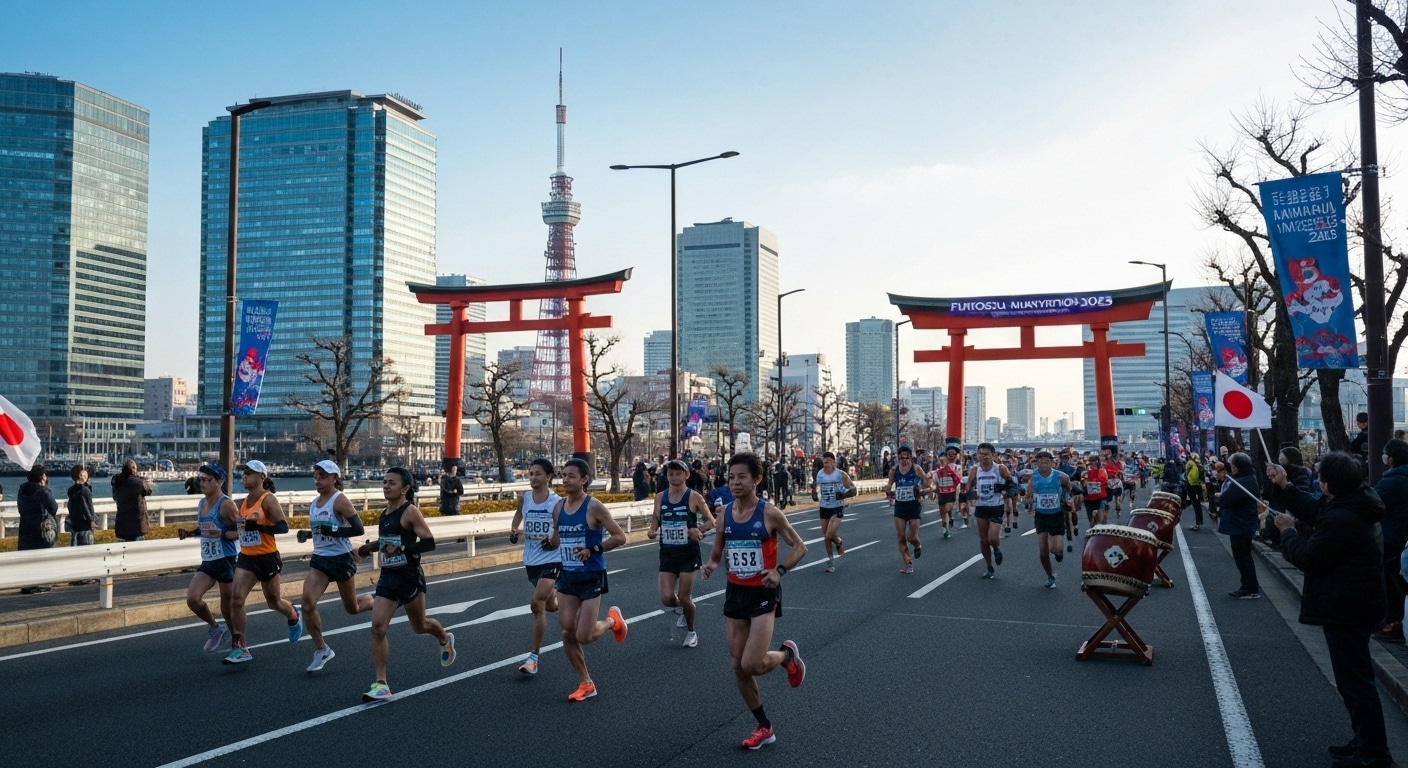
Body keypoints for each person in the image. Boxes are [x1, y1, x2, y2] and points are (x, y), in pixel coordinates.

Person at [1269, 452, 1397, 768]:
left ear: (1326, 484)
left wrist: (1287, 532)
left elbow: (1310, 557)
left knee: (1355, 682)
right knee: (1355, 679)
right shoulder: (1354, 500)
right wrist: (1284, 484)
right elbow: (1315, 509)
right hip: (1355, 603)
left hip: (1347, 606)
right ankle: (1365, 741)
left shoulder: (1343, 517)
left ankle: (1374, 753)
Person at [701, 452, 809, 750]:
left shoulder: (770, 513)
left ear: (757, 480)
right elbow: (718, 547)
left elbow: (800, 547)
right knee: (738, 666)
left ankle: (787, 656)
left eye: (742, 477)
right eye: (731, 477)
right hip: (736, 593)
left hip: (763, 592)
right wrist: (710, 564)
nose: (735, 482)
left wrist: (780, 570)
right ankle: (764, 726)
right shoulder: (724, 514)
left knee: (752, 664)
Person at [355, 467, 456, 701]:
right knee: (378, 627)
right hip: (388, 577)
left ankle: (444, 637)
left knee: (420, 626)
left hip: (409, 576)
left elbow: (429, 542)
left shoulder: (410, 512)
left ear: (405, 488)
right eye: (384, 482)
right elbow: (387, 542)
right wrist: (367, 548)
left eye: (392, 483)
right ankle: (381, 683)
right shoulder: (384, 514)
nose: (386, 486)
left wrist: (403, 549)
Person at [542, 457, 628, 701]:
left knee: (584, 635)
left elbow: (620, 537)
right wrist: (548, 544)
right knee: (567, 632)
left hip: (591, 575)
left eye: (571, 475)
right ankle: (586, 682)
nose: (565, 479)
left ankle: (613, 622)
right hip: (568, 575)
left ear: (584, 480)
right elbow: (558, 538)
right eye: (563, 474)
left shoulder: (594, 507)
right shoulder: (558, 507)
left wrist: (593, 549)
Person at [223, 460, 302, 664]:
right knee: (236, 599)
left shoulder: (268, 500)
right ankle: (242, 648)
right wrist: (231, 533)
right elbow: (244, 531)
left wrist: (257, 526)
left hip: (267, 557)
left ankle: (293, 614)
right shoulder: (243, 502)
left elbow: (283, 527)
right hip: (247, 557)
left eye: (249, 473)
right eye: (243, 473)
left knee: (273, 602)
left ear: (262, 477)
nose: (244, 476)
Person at [298, 460, 373, 672]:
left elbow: (358, 529)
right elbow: (320, 530)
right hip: (321, 559)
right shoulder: (314, 503)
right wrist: (306, 534)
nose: (318, 480)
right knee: (307, 602)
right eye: (316, 476)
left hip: (341, 559)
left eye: (322, 476)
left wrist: (335, 532)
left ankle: (372, 602)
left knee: (353, 608)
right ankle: (321, 649)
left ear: (334, 478)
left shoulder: (339, 500)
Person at [648, 459, 715, 648]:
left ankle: (691, 631)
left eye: (678, 474)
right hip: (668, 552)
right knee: (667, 598)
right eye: (671, 474)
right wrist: (652, 530)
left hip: (688, 553)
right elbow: (656, 517)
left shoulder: (694, 497)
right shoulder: (660, 497)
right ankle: (686, 609)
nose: (674, 477)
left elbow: (711, 521)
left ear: (686, 475)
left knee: (685, 597)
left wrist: (698, 530)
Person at [175, 464, 241, 653]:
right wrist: (189, 532)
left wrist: (221, 534)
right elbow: (205, 529)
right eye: (200, 479)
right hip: (209, 560)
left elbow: (241, 531)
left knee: (227, 608)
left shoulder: (226, 504)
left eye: (206, 480)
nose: (202, 483)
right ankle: (216, 629)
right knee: (193, 599)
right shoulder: (201, 504)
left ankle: (238, 642)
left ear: (219, 481)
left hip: (227, 559)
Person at [509, 457, 562, 675]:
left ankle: (533, 658)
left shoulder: (556, 502)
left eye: (538, 473)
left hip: (552, 559)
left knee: (536, 603)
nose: (533, 477)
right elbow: (519, 514)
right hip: (531, 559)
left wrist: (551, 541)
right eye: (531, 473)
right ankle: (567, 601)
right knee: (550, 606)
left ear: (548, 476)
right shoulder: (525, 498)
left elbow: (558, 533)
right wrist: (514, 529)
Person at [1373, 439, 1408, 644]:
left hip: (1391, 538)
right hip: (1402, 539)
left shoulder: (1392, 481)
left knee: (1392, 583)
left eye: (1385, 454)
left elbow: (1372, 501)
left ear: (1391, 459)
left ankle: (1394, 622)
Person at [1025, 450, 1075, 588]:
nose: (1044, 463)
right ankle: (1050, 576)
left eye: (1047, 461)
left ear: (1052, 462)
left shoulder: (1061, 477)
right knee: (1043, 550)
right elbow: (1027, 496)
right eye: (1041, 461)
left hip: (1057, 515)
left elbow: (1068, 490)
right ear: (1037, 463)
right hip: (1041, 516)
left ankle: (1059, 552)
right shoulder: (1034, 478)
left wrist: (1067, 499)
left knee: (1056, 549)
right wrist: (1028, 502)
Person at [968, 443, 1014, 579]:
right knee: (983, 539)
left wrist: (1003, 488)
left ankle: (997, 549)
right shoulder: (975, 469)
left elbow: (1011, 483)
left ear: (993, 455)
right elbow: (968, 486)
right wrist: (971, 494)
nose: (983, 457)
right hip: (981, 506)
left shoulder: (1000, 468)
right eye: (980, 454)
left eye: (986, 454)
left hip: (996, 505)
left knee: (992, 538)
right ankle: (989, 566)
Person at [1219, 452, 1261, 599]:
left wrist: (1222, 494)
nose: (1231, 468)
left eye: (1233, 465)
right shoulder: (1245, 478)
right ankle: (1247, 585)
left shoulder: (1245, 482)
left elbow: (1225, 499)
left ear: (1238, 466)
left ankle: (1250, 588)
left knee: (1243, 557)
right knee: (1242, 556)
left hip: (1241, 524)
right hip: (1240, 523)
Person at [886, 445, 931, 574]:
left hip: (913, 506)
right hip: (900, 506)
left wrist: (921, 491)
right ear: (898, 457)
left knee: (911, 537)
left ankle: (917, 545)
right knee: (901, 537)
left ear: (910, 457)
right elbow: (889, 485)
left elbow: (927, 484)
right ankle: (908, 564)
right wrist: (888, 489)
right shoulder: (894, 470)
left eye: (906, 457)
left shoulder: (916, 469)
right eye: (901, 457)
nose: (904, 460)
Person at [811, 452, 853, 573]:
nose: (826, 465)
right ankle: (832, 557)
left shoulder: (841, 474)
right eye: (824, 463)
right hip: (824, 507)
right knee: (826, 536)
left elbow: (853, 489)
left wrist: (844, 494)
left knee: (829, 534)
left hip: (837, 507)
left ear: (834, 462)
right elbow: (817, 488)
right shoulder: (820, 474)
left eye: (828, 462)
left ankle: (835, 549)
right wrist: (814, 493)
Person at [17, 464, 57, 558]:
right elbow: (53, 508)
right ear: (42, 477)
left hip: (25, 527)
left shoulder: (22, 489)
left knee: (26, 556)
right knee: (44, 557)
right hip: (41, 529)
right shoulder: (43, 491)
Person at [111, 459, 151, 542]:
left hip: (122, 523)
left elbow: (115, 497)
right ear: (133, 469)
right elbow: (148, 491)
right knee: (138, 551)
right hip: (137, 524)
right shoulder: (139, 482)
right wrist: (142, 479)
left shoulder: (117, 482)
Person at [933, 447, 964, 538]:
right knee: (942, 512)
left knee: (947, 508)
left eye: (953, 454)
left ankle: (950, 518)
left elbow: (958, 479)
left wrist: (948, 469)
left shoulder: (957, 467)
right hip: (941, 492)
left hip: (951, 491)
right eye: (949, 454)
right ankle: (945, 529)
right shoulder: (939, 467)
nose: (951, 456)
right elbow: (935, 479)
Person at [66, 465, 96, 550]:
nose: (86, 473)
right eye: (84, 471)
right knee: (87, 554)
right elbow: (87, 507)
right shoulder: (85, 490)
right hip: (85, 526)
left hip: (75, 526)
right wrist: (91, 521)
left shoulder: (72, 490)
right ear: (80, 475)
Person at [1184, 455, 1205, 531]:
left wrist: (1190, 484)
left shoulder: (1191, 465)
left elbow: (1191, 479)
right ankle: (1199, 522)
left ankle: (1198, 523)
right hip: (1197, 487)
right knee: (1197, 505)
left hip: (1193, 488)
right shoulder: (1198, 466)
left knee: (1195, 505)